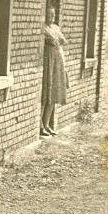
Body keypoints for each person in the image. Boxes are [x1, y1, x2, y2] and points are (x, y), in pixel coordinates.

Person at [41, 7, 69, 137]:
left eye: (53, 14)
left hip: (57, 63)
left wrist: (59, 40)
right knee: (46, 94)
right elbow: (50, 42)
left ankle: (47, 124)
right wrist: (52, 41)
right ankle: (40, 125)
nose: (51, 16)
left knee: (53, 94)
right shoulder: (43, 28)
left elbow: (63, 40)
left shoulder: (56, 28)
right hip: (48, 62)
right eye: (49, 14)